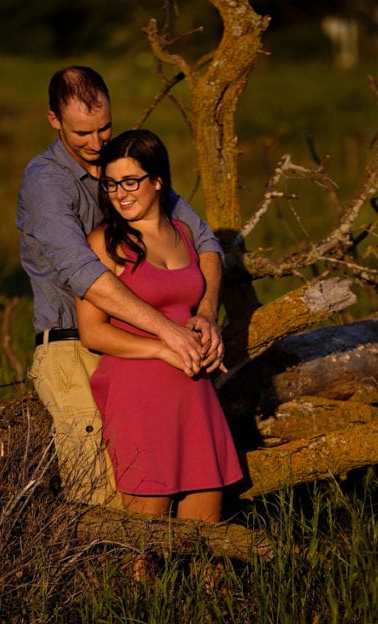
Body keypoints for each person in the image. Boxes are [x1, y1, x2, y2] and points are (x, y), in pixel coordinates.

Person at [17, 66, 225, 507]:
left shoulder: (127, 167)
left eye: (104, 127)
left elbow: (203, 240)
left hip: (144, 349)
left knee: (174, 483)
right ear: (54, 120)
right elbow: (82, 272)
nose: (95, 143)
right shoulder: (46, 182)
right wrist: (168, 331)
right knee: (104, 493)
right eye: (81, 133)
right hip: (72, 346)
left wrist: (205, 312)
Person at [76, 129, 243, 522]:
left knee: (208, 546)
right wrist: (160, 347)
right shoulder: (104, 244)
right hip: (138, 397)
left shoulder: (185, 235)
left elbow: (208, 273)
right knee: (144, 547)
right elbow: (93, 332)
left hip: (196, 397)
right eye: (112, 184)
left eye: (131, 181)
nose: (121, 193)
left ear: (157, 181)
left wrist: (206, 315)